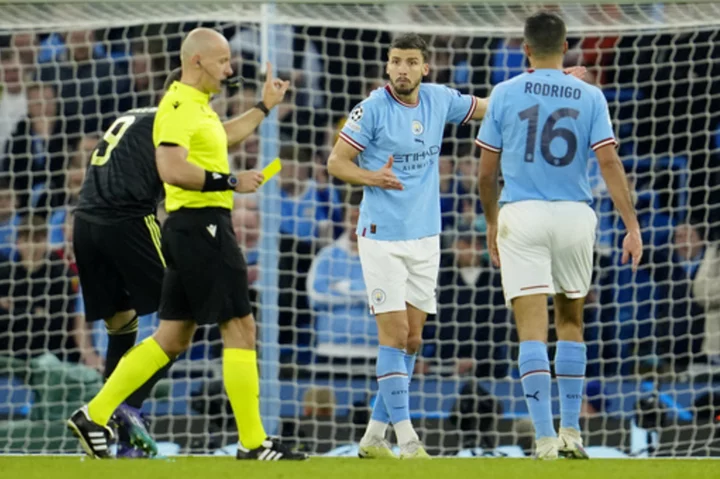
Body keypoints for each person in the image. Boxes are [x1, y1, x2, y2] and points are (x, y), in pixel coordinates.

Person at [67, 27, 306, 461]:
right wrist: (232, 181)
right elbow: (172, 167)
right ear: (196, 61)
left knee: (171, 337)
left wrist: (263, 107)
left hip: (187, 227)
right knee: (241, 327)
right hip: (202, 226)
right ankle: (253, 443)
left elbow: (224, 136)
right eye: (223, 62)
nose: (231, 70)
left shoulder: (197, 106)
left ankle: (96, 413)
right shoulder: (176, 105)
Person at [475, 12, 642, 459]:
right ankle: (573, 431)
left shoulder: (505, 93)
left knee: (532, 330)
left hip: (522, 214)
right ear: (566, 46)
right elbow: (609, 163)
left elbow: (486, 173)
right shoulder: (590, 94)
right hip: (574, 215)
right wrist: (631, 225)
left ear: (524, 49)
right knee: (572, 322)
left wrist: (492, 221)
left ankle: (545, 438)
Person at [327, 33, 489, 459]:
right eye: (395, 61)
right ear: (387, 66)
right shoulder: (372, 109)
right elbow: (336, 162)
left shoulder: (439, 100)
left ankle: (372, 436)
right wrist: (372, 177)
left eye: (410, 62)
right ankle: (408, 437)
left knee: (413, 340)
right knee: (394, 336)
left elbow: (488, 107)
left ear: (424, 67)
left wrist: (535, 84)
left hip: (426, 237)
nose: (401, 68)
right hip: (381, 235)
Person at [65, 68, 181, 458]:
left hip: (85, 221)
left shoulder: (131, 115)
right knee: (183, 315)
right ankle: (126, 410)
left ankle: (107, 429)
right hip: (127, 220)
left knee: (122, 320)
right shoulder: (173, 123)